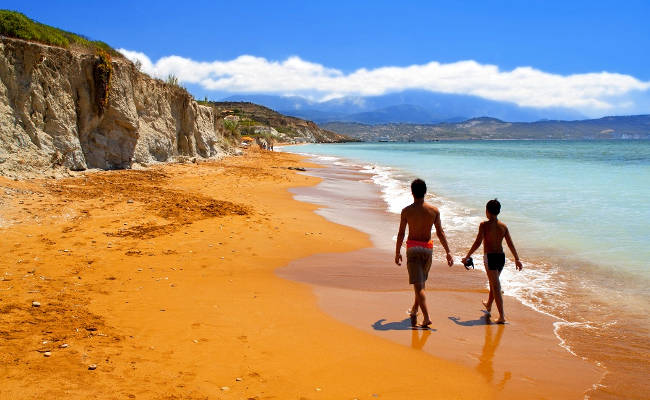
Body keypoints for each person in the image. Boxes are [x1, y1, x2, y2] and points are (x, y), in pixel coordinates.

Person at [395, 179, 453, 328]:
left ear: (412, 192)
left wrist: (397, 252)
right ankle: (415, 310)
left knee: (419, 286)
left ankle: (427, 318)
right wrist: (448, 252)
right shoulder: (434, 211)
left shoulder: (407, 211)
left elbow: (401, 233)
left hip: (413, 249)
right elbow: (440, 233)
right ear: (425, 192)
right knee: (420, 283)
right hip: (427, 249)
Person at [462, 199, 523, 324]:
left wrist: (468, 255)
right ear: (498, 211)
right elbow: (510, 243)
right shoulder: (503, 226)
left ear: (487, 211)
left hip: (489, 257)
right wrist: (517, 259)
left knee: (495, 285)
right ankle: (489, 305)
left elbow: (478, 242)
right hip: (501, 257)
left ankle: (502, 316)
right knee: (493, 283)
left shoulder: (484, 225)